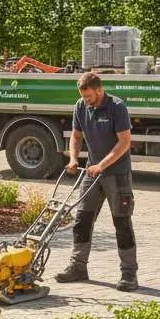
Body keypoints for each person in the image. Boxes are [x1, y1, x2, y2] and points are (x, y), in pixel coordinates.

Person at [54, 71, 139, 292]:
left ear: (99, 90)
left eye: (89, 96)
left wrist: (102, 165)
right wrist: (73, 158)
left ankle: (129, 274)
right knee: (82, 219)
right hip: (91, 174)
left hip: (117, 175)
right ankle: (78, 266)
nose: (86, 101)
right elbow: (76, 135)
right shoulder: (81, 106)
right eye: (83, 96)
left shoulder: (116, 107)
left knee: (122, 223)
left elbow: (124, 142)